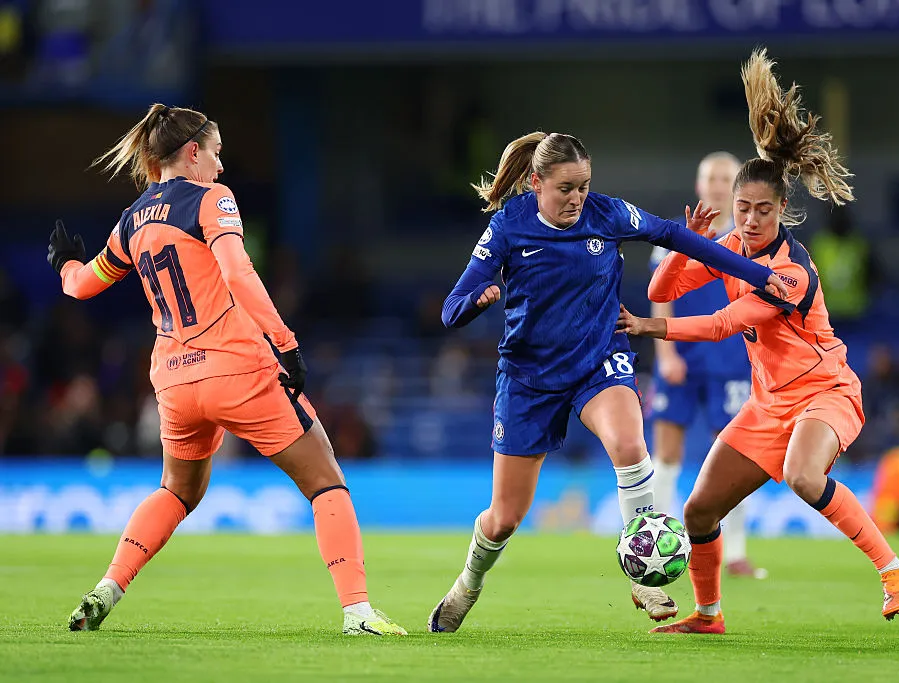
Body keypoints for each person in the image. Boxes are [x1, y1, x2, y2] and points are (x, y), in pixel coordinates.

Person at [49, 103, 405, 636]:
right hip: (237, 370)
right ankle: (357, 612)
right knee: (327, 483)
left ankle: (107, 587)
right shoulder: (211, 200)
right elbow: (238, 272)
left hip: (173, 381)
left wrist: (64, 264)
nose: (220, 165)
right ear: (192, 152)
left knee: (177, 491)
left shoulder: (131, 221)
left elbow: (80, 287)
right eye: (215, 153)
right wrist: (285, 343)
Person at [428, 130, 791, 633]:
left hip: (598, 360)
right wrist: (479, 300)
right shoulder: (508, 227)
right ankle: (468, 584)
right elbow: (450, 310)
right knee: (504, 518)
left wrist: (751, 272)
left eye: (583, 185)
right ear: (536, 183)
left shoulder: (607, 213)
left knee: (628, 443)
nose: (577, 197)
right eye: (565, 188)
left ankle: (642, 572)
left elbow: (674, 236)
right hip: (529, 379)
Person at [616, 49, 899, 634]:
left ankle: (894, 570)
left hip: (823, 392)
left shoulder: (792, 273)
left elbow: (726, 323)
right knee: (699, 511)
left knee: (805, 477)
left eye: (762, 210)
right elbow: (661, 284)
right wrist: (688, 244)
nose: (751, 219)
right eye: (743, 208)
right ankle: (708, 616)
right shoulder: (730, 245)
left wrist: (651, 326)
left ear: (784, 210)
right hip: (768, 402)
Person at [649, 152, 765, 579]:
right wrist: (665, 354)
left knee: (734, 457)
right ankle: (664, 548)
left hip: (730, 360)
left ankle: (734, 551)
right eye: (710, 177)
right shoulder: (675, 234)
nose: (717, 184)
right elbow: (661, 293)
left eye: (725, 177)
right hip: (679, 356)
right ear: (699, 186)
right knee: (666, 454)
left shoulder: (749, 239)